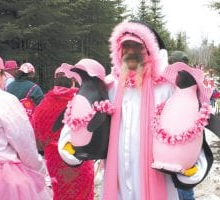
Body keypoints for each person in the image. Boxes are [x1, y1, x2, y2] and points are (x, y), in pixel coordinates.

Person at [102, 21, 180, 200]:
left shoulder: (166, 87)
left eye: (136, 46)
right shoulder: (109, 85)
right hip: (118, 175)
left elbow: (183, 128)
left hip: (156, 175)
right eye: (126, 46)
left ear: (149, 51)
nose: (130, 51)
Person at [0, 51, 51, 199]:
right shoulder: (4, 100)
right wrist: (39, 170)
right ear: (0, 73)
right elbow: (24, 142)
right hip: (1, 179)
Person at [32, 63, 94, 200]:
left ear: (54, 81)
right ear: (73, 80)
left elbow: (37, 140)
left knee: (60, 195)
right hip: (80, 160)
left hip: (54, 162)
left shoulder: (42, 107)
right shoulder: (83, 103)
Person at [168, 50, 196, 200]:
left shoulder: (188, 84)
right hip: (171, 138)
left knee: (183, 182)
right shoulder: (170, 82)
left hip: (184, 138)